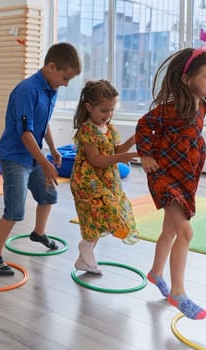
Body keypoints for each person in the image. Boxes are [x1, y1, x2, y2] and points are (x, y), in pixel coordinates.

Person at [135, 47, 206, 320]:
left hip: (185, 177)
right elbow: (143, 124)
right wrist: (146, 155)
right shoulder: (172, 109)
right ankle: (178, 292)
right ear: (187, 80)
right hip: (164, 176)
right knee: (185, 232)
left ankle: (156, 272)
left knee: (170, 232)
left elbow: (190, 138)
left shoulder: (203, 106)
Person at [0, 42, 82, 275]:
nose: (66, 84)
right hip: (15, 157)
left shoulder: (51, 89)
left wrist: (53, 150)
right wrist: (46, 163)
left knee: (49, 195)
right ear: (51, 67)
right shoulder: (27, 90)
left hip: (34, 155)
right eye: (65, 77)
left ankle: (38, 233)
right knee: (15, 211)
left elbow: (43, 123)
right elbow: (25, 133)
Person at [70, 80, 140, 275]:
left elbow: (115, 150)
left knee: (103, 217)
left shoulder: (108, 128)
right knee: (98, 213)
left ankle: (84, 258)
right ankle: (86, 247)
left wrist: (131, 142)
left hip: (107, 179)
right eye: (103, 111)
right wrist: (122, 157)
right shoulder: (87, 130)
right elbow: (96, 160)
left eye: (111, 110)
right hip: (89, 181)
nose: (108, 115)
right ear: (89, 107)